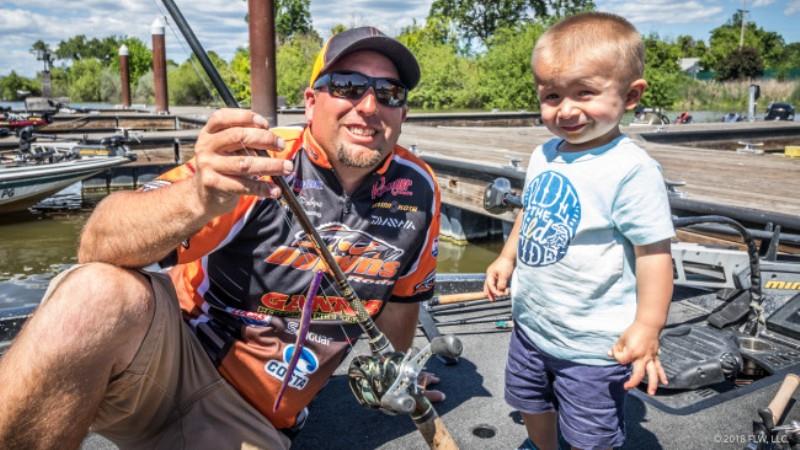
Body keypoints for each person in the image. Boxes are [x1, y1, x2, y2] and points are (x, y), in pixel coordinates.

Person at [0, 26, 442, 450]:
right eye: (347, 86)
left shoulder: (419, 192)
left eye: (388, 93)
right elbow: (96, 242)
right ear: (310, 102)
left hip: (254, 419)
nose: (368, 106)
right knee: (95, 292)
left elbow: (402, 303)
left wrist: (397, 371)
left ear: (402, 111)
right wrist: (197, 197)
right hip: (169, 361)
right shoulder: (258, 157)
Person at [483, 12, 674, 450]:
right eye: (551, 95)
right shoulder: (543, 154)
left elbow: (654, 255)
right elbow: (531, 212)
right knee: (531, 400)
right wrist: (507, 257)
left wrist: (648, 326)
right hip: (532, 325)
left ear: (631, 95)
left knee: (591, 432)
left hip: (593, 344)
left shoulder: (632, 170)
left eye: (584, 93)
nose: (566, 110)